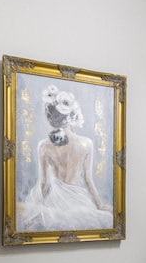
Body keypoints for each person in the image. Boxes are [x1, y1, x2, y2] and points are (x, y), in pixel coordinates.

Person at [18, 85, 113, 231]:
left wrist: (38, 205)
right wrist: (99, 205)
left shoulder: (44, 146)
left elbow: (43, 183)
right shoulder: (86, 143)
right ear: (71, 115)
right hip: (80, 200)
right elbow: (88, 181)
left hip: (54, 200)